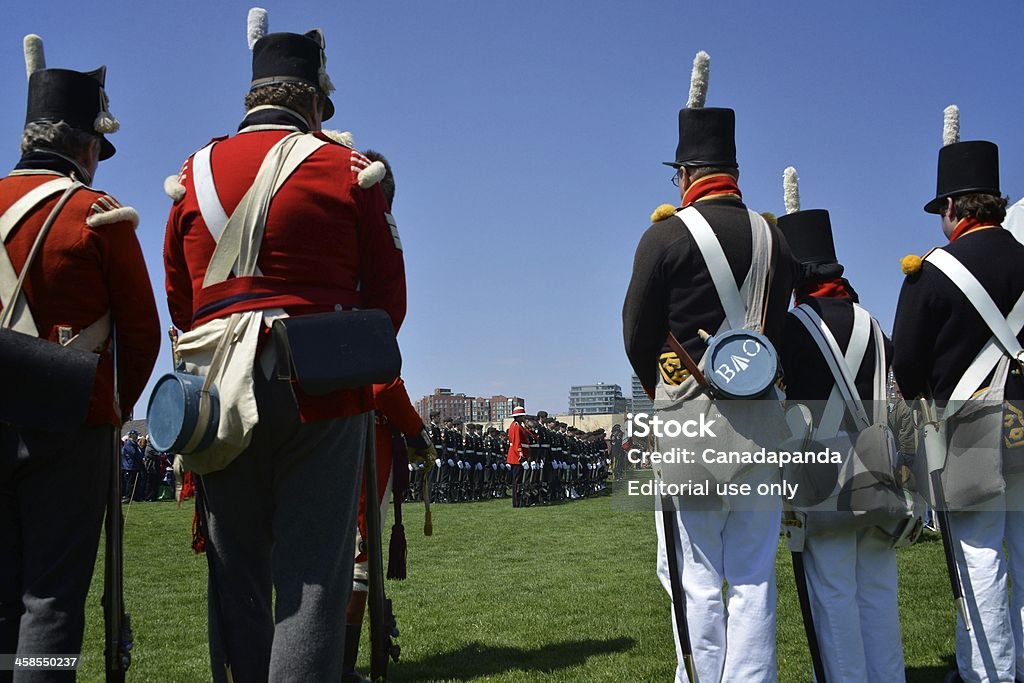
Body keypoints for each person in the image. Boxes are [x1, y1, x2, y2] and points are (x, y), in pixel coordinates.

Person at [162, 10, 406, 681]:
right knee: (312, 580)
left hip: (217, 394)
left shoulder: (192, 172)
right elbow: (389, 306)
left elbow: (182, 305)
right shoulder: (349, 169)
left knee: (236, 573)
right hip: (320, 392)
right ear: (313, 103)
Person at [622, 53, 794, 682]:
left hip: (689, 424)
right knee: (752, 575)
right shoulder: (778, 239)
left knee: (695, 576)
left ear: (687, 172)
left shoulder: (663, 238)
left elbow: (636, 334)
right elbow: (777, 330)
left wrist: (667, 393)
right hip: (762, 425)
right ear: (734, 171)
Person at [0, 34, 160, 674]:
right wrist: (110, 407)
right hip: (73, 421)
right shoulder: (99, 215)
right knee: (52, 597)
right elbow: (142, 334)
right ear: (86, 147)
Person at [893, 135, 1024, 683]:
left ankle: (988, 676)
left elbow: (907, 367)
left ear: (952, 208)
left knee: (980, 563)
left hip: (970, 432)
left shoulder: (933, 271)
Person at [777, 199, 904, 682]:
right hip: (877, 470)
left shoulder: (791, 327)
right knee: (878, 592)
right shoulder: (871, 321)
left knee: (832, 594)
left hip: (821, 477)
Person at [507, 406, 533, 508]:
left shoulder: (519, 426)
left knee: (519, 481)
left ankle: (519, 501)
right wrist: (521, 457)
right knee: (517, 481)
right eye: (523, 415)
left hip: (519, 456)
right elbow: (517, 443)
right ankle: (517, 502)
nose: (524, 417)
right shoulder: (516, 426)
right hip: (517, 458)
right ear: (519, 416)